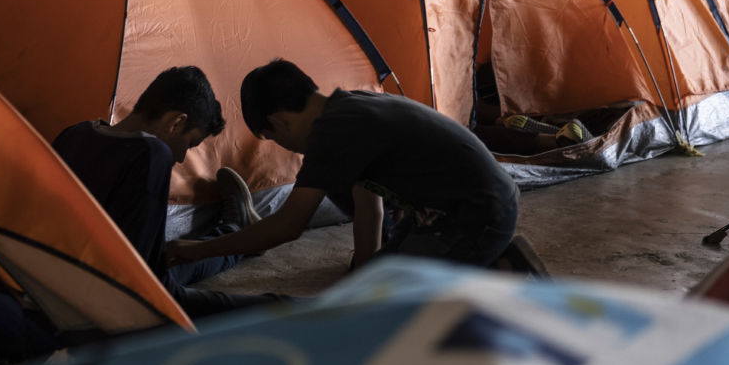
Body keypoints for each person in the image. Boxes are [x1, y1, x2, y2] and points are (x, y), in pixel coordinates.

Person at [167, 59, 534, 274]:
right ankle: (486, 259)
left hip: (475, 217)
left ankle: (498, 271)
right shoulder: (349, 106)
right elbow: (364, 194)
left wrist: (194, 250)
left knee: (389, 313)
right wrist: (364, 265)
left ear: (279, 122)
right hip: (476, 203)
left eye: (275, 138)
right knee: (374, 283)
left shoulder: (332, 133)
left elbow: (288, 226)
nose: (290, 150)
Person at [51, 65, 270, 318]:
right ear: (176, 122)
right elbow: (146, 282)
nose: (180, 157)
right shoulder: (151, 153)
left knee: (181, 256)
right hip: (110, 292)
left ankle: (234, 232)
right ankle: (238, 235)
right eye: (189, 144)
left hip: (61, 273)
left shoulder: (74, 134)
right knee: (265, 306)